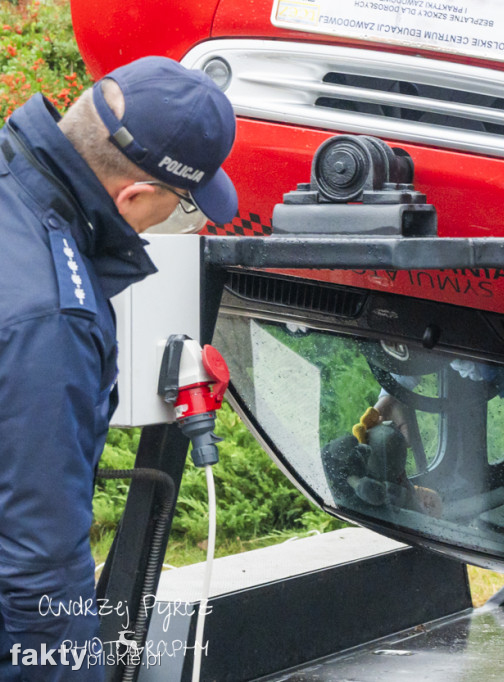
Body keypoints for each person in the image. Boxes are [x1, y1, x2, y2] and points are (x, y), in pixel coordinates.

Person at [0, 56, 236, 679]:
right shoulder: (55, 316)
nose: (179, 220)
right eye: (184, 203)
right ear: (134, 194)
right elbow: (40, 569)